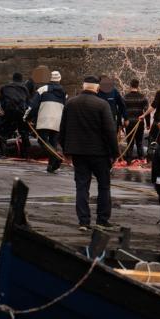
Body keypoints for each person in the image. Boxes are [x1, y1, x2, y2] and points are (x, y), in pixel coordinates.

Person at [59, 75, 119, 231]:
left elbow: (63, 129)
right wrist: (115, 153)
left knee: (82, 186)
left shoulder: (70, 103)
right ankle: (102, 220)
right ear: (97, 88)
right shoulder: (102, 104)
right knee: (104, 186)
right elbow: (110, 131)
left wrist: (65, 150)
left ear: (83, 86)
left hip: (78, 152)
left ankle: (84, 221)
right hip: (99, 153)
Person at [30, 70, 68, 173]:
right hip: (57, 122)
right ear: (59, 80)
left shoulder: (42, 89)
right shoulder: (64, 93)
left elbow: (33, 106)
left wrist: (27, 117)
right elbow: (65, 108)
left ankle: (56, 157)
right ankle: (51, 166)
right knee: (53, 143)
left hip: (44, 120)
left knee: (42, 141)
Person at [0, 72, 31, 159]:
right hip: (21, 113)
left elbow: (1, 102)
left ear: (13, 79)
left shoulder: (5, 87)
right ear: (21, 80)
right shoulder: (25, 88)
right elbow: (28, 103)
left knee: (3, 133)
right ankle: (25, 155)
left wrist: (2, 112)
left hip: (9, 112)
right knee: (24, 133)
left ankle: (2, 154)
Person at [123, 79, 150, 163]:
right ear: (138, 86)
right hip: (139, 123)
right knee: (139, 142)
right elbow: (146, 112)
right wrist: (148, 124)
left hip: (129, 123)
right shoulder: (143, 97)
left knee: (129, 143)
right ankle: (141, 159)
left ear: (130, 86)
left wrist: (122, 122)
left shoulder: (125, 97)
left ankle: (128, 160)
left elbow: (122, 110)